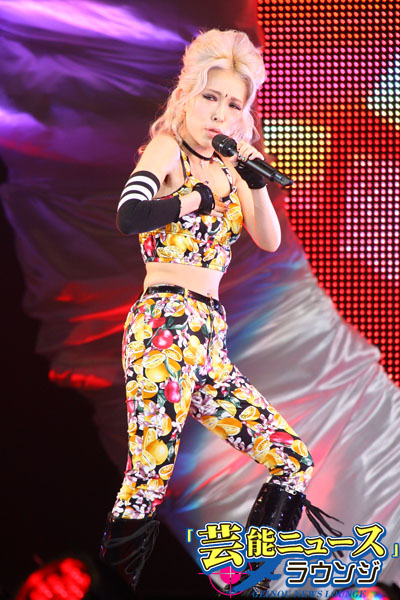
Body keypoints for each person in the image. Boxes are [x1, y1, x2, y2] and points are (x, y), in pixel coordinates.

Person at [99, 28, 341, 596]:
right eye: (211, 97)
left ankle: (248, 585)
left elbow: (269, 239)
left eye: (234, 103)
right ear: (188, 94)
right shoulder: (169, 149)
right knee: (148, 476)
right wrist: (195, 197)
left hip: (208, 336)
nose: (220, 113)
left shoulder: (234, 167)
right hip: (164, 326)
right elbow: (129, 216)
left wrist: (249, 179)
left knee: (291, 459)